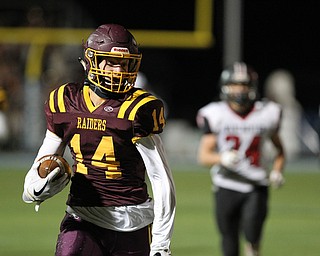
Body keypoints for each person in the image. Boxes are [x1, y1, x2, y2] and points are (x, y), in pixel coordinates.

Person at [22, 24, 176, 256]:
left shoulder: (138, 108)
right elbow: (44, 157)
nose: (118, 70)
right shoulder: (65, 101)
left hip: (132, 219)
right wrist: (33, 188)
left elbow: (161, 177)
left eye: (124, 63)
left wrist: (161, 242)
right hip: (83, 216)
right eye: (111, 62)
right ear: (91, 61)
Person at [196, 62, 285, 256]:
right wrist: (222, 158)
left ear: (252, 87)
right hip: (225, 184)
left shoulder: (267, 113)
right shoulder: (215, 113)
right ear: (226, 86)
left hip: (256, 184)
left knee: (253, 238)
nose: (240, 89)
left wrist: (277, 170)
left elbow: (280, 150)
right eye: (236, 84)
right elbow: (203, 156)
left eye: (244, 84)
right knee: (229, 243)